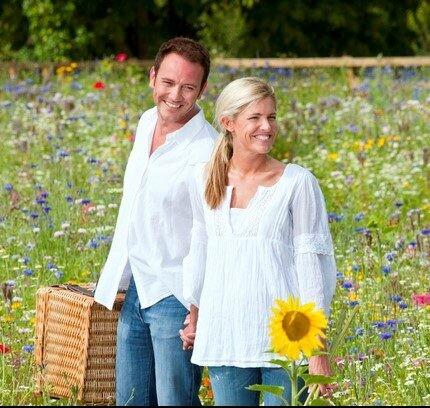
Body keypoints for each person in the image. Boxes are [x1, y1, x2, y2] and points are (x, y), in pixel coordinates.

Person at [180, 77, 337, 406]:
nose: (267, 127)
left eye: (272, 117)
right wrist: (195, 313)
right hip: (225, 332)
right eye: (255, 118)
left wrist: (317, 349)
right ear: (229, 123)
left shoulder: (297, 182)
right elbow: (201, 251)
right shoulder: (203, 179)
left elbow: (313, 267)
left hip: (286, 341)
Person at [94, 37, 218, 406]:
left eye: (188, 86)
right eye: (168, 82)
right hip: (138, 287)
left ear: (202, 90)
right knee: (130, 399)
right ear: (152, 78)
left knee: (174, 402)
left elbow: (209, 235)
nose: (175, 95)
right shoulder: (146, 122)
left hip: (176, 296)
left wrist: (197, 309)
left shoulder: (208, 151)